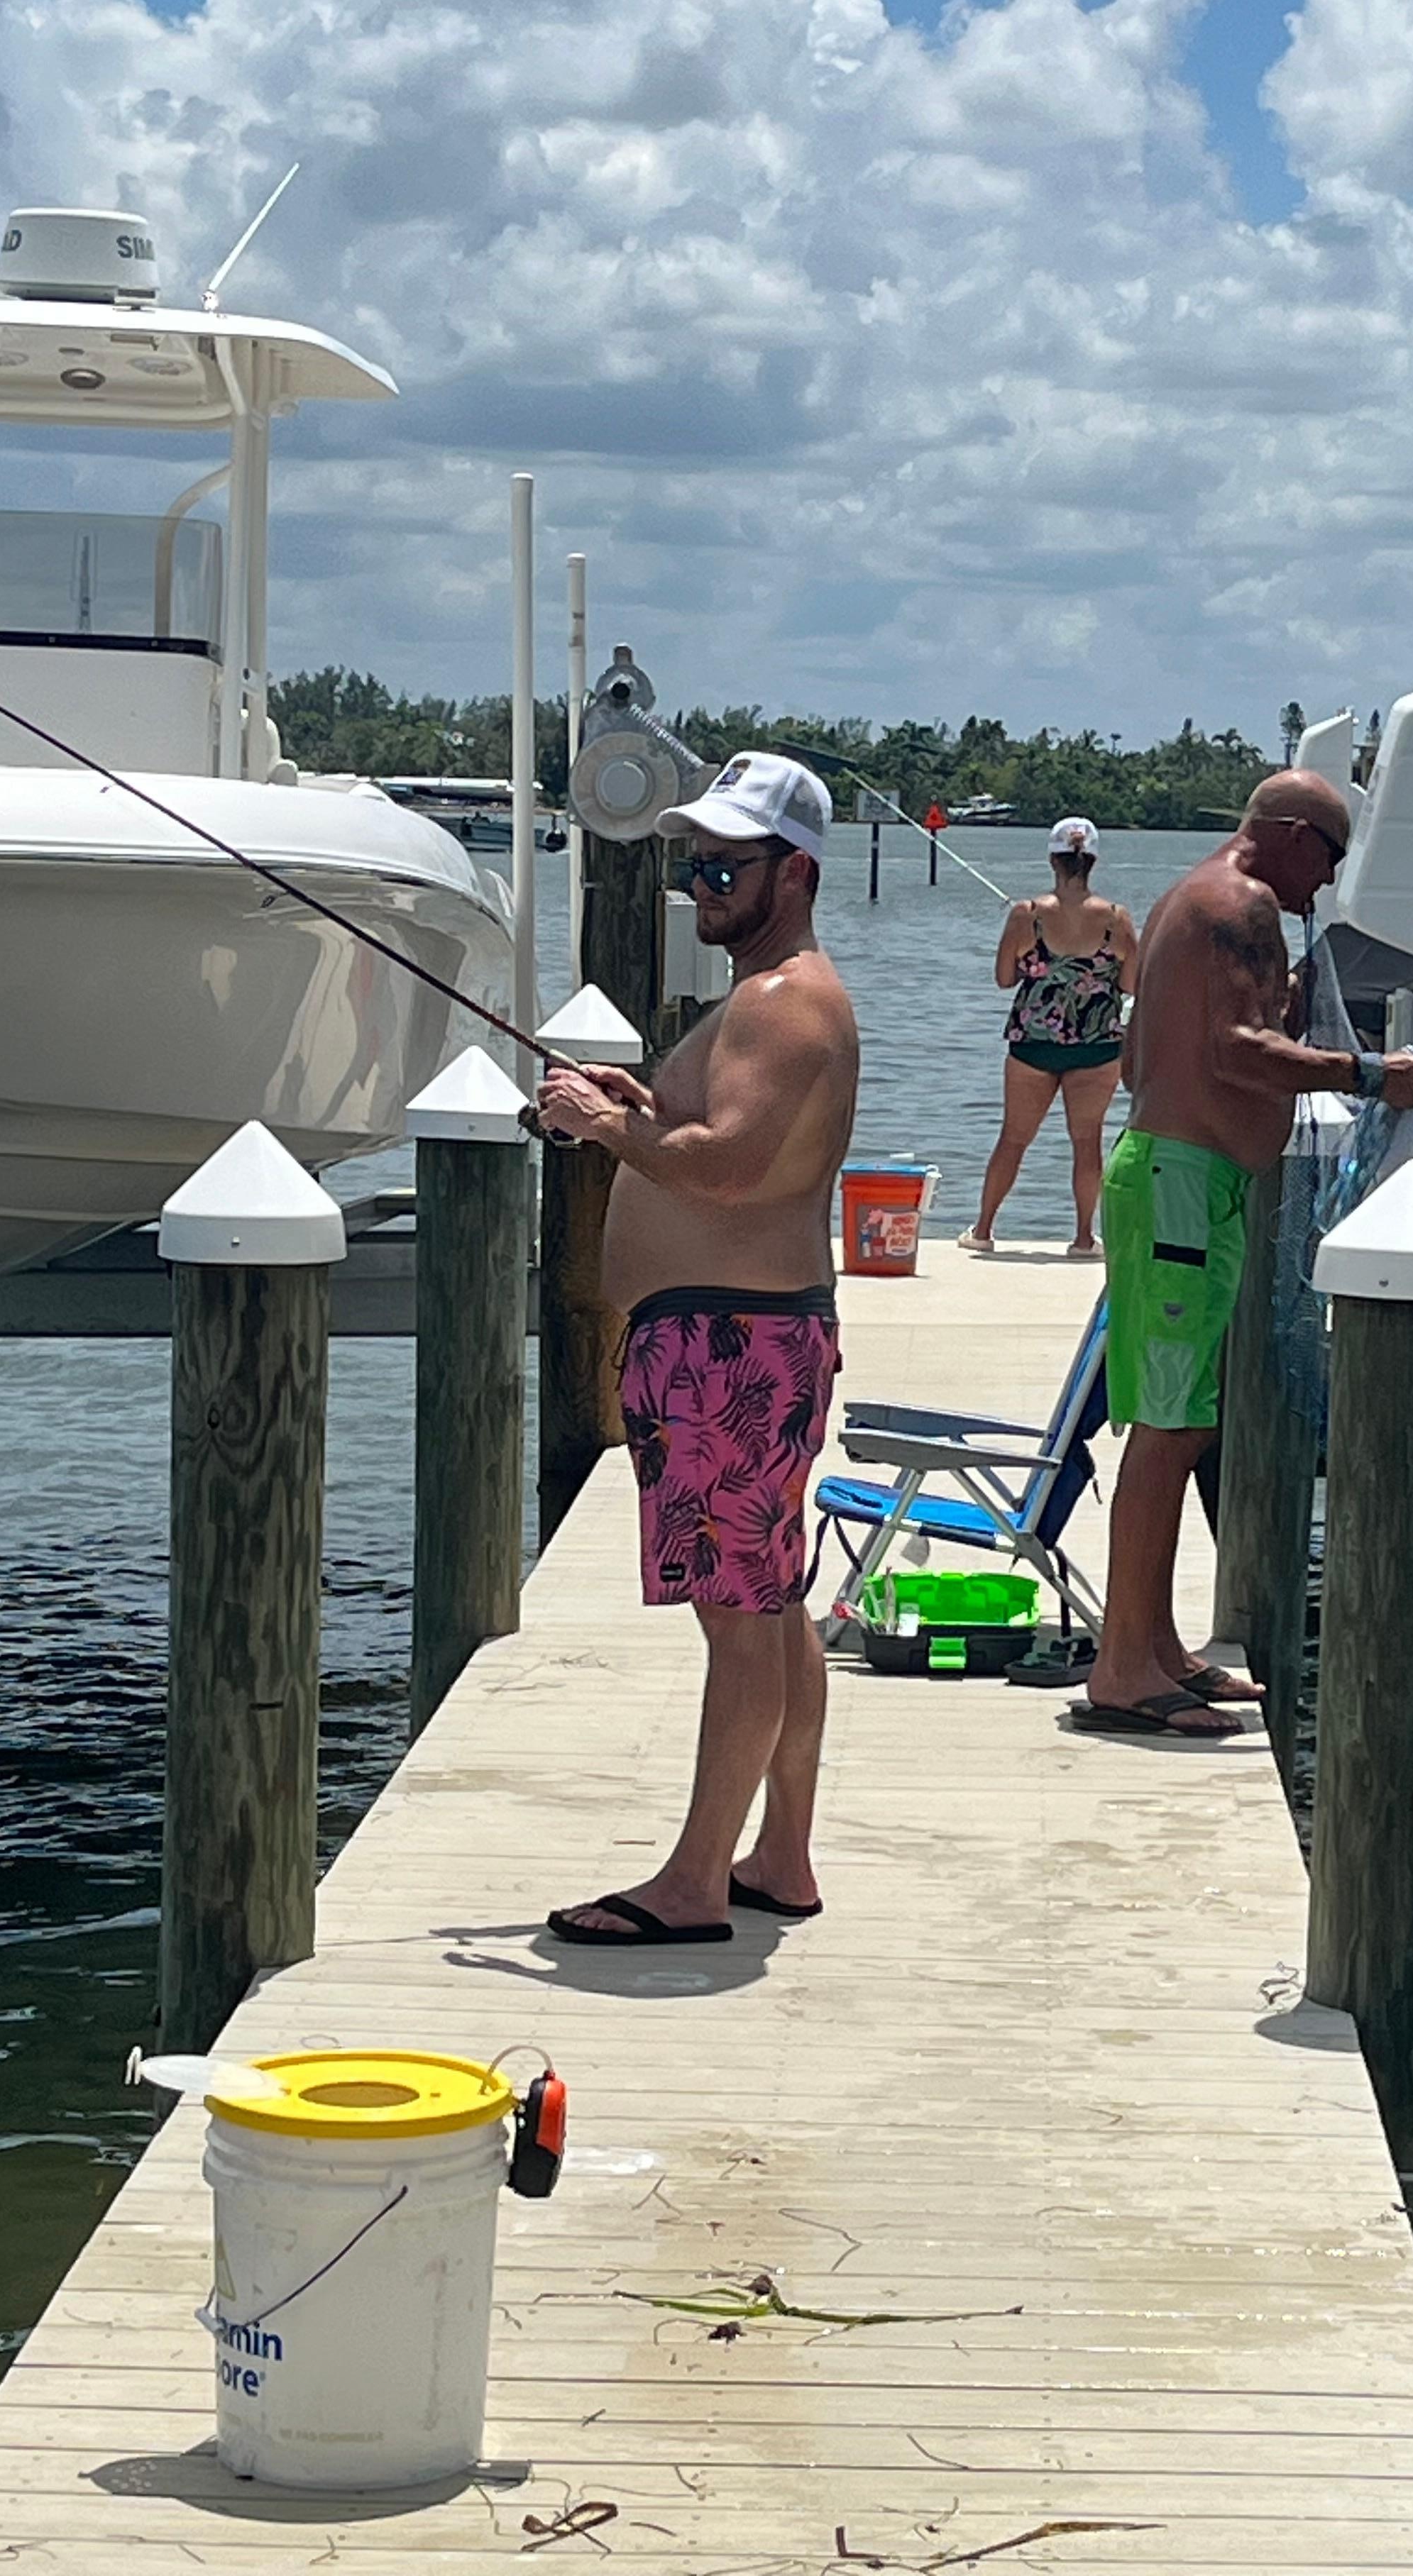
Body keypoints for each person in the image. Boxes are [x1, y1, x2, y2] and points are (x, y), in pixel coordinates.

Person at [536, 751, 859, 1942]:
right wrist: (644, 1099)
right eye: (694, 861)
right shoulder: (771, 997)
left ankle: (692, 1883)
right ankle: (778, 1854)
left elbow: (723, 1169)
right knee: (770, 1603)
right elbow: (734, 1138)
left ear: (795, 869)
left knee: (738, 1613)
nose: (703, 879)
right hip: (737, 1335)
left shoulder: (784, 1003)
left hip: (726, 1344)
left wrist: (606, 1124)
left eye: (727, 861)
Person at [1081, 770, 1413, 1739]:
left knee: (1184, 1422)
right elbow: (1236, 1051)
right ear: (1289, 834)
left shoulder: (1184, 901)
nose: (1327, 884)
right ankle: (1121, 1670)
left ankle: (1154, 1647)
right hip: (1181, 1188)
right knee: (1165, 1431)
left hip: (1186, 1179)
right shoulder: (1236, 902)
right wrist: (1370, 1075)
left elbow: (1145, 1056)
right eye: (1329, 856)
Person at [960, 818, 1138, 1257]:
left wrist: (1034, 968)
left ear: (1051, 860)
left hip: (1033, 1044)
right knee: (1087, 1140)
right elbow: (1132, 983)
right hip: (1098, 1046)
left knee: (1014, 1138)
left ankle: (983, 1230)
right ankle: (1082, 1237)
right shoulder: (1117, 919)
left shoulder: (1028, 914)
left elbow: (1004, 978)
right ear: (1092, 861)